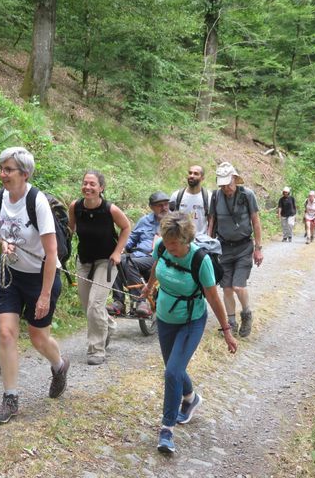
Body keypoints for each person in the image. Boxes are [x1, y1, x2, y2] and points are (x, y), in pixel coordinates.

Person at [140, 212, 238, 454]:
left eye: (174, 243)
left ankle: (167, 430)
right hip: (165, 317)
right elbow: (156, 266)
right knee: (175, 369)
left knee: (172, 372)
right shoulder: (163, 246)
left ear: (186, 240)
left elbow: (213, 298)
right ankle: (191, 398)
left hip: (190, 320)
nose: (169, 246)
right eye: (167, 241)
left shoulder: (200, 260)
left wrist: (226, 331)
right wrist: (149, 286)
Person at [0, 147, 70, 424]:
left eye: (8, 170)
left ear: (24, 174)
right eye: (1, 168)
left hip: (40, 277)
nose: (2, 174)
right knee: (7, 333)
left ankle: (59, 365)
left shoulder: (37, 202)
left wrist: (45, 295)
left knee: (38, 338)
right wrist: (3, 243)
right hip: (9, 276)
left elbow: (52, 252)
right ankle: (10, 398)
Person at [69, 171, 131, 365]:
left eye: (92, 184)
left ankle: (96, 350)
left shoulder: (110, 209)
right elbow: (70, 230)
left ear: (101, 188)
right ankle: (109, 326)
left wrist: (118, 252)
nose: (88, 187)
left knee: (95, 306)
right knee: (88, 305)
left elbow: (126, 227)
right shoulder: (75, 207)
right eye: (85, 183)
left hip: (107, 261)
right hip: (85, 260)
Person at [207, 162, 263, 337]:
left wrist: (258, 248)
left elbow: (256, 221)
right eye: (222, 185)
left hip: (244, 247)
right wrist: (209, 245)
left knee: (238, 286)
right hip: (223, 248)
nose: (226, 188)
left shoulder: (247, 195)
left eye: (228, 184)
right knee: (227, 288)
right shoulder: (216, 197)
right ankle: (231, 322)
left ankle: (246, 314)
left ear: (235, 179)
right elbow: (211, 222)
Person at [106, 191, 170, 318]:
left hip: (158, 257)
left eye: (166, 204)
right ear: (151, 207)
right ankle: (119, 302)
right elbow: (131, 238)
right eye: (159, 205)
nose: (163, 208)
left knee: (130, 262)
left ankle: (139, 302)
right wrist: (121, 248)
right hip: (138, 255)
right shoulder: (144, 220)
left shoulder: (174, 221)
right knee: (117, 260)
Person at [169, 165, 211, 235]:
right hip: (181, 239)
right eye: (190, 173)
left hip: (201, 241)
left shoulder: (208, 197)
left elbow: (211, 219)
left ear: (202, 178)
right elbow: (170, 218)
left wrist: (209, 237)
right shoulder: (176, 196)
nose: (191, 176)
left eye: (196, 174)